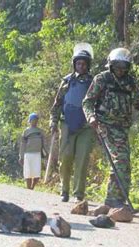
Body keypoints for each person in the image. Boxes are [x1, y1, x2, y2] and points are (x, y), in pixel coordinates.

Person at [83, 47, 139, 208]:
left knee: (123, 162)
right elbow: (87, 101)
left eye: (124, 67)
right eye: (117, 66)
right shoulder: (102, 79)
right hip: (104, 124)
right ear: (111, 65)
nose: (121, 70)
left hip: (122, 127)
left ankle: (116, 199)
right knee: (120, 159)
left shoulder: (129, 82)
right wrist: (91, 116)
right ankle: (113, 199)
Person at [50, 45, 95, 202]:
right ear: (74, 64)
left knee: (82, 160)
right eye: (78, 63)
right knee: (66, 158)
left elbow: (100, 103)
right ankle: (64, 190)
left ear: (88, 65)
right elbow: (57, 103)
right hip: (67, 124)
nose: (81, 66)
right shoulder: (66, 82)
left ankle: (78, 194)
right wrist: (53, 122)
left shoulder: (94, 82)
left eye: (84, 64)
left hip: (86, 127)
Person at [19, 113, 47, 190]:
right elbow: (23, 144)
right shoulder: (26, 132)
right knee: (28, 173)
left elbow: (44, 143)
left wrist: (46, 153)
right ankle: (28, 189)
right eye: (33, 120)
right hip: (28, 155)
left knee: (36, 174)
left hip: (37, 154)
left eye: (36, 120)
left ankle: (32, 187)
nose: (35, 121)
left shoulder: (40, 131)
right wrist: (21, 156)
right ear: (30, 121)